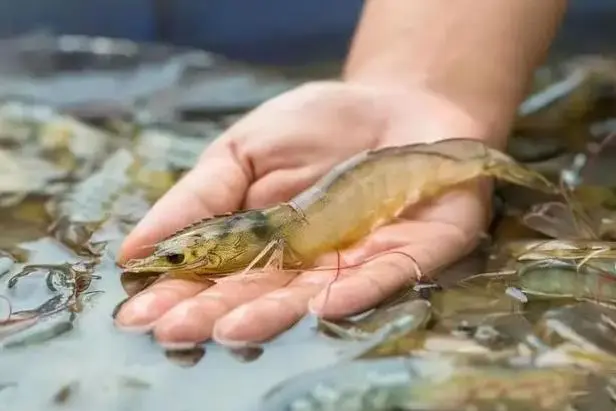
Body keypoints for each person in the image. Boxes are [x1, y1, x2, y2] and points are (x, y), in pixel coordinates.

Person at [113, 0, 568, 348]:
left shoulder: (269, 234)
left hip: (391, 174)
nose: (168, 262)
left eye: (176, 258)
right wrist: (418, 87)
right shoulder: (254, 231)